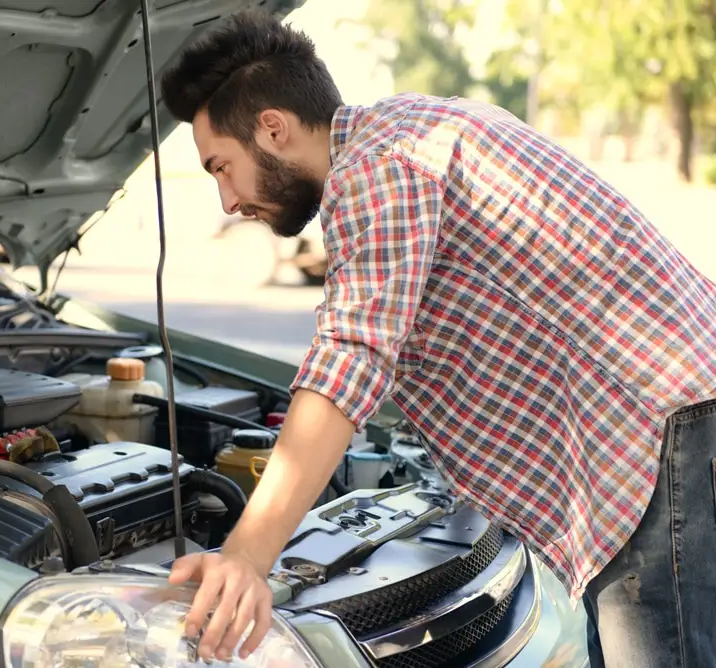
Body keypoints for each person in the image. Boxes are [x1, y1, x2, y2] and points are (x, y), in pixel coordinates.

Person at [158, 8, 716, 668]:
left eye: (221, 166)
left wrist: (245, 556)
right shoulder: (414, 127)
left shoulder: (379, 164)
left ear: (273, 129)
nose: (226, 200)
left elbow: (355, 351)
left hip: (648, 437)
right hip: (663, 426)